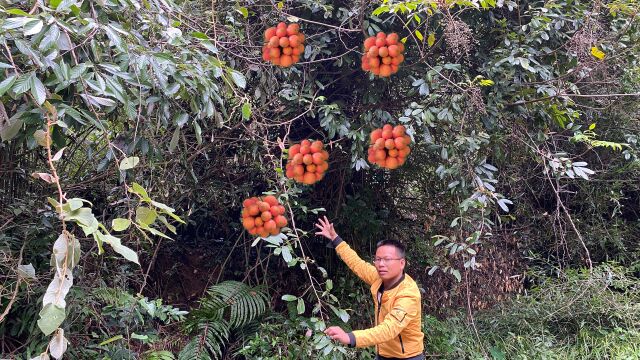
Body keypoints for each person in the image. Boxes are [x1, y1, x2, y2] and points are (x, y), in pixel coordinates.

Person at [315, 216, 425, 360]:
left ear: (402, 263)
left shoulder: (408, 294)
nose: (381, 264)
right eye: (378, 259)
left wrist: (350, 338)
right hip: (383, 353)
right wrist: (335, 238)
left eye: (387, 259)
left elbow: (389, 329)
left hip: (407, 357)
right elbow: (357, 264)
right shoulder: (379, 278)